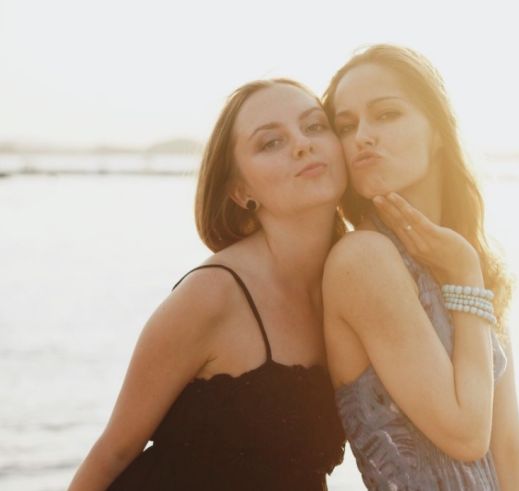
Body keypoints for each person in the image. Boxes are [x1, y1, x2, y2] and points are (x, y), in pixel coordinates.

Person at [69, 78, 347, 490]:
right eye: (271, 142)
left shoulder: (354, 285)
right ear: (241, 191)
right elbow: (113, 452)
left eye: (315, 126)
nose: (302, 144)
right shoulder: (212, 295)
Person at [321, 45, 519, 490]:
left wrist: (467, 272)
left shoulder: (468, 258)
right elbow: (466, 433)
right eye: (346, 125)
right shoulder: (361, 259)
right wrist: (466, 279)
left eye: (386, 115)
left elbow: (510, 444)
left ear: (438, 131)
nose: (362, 135)